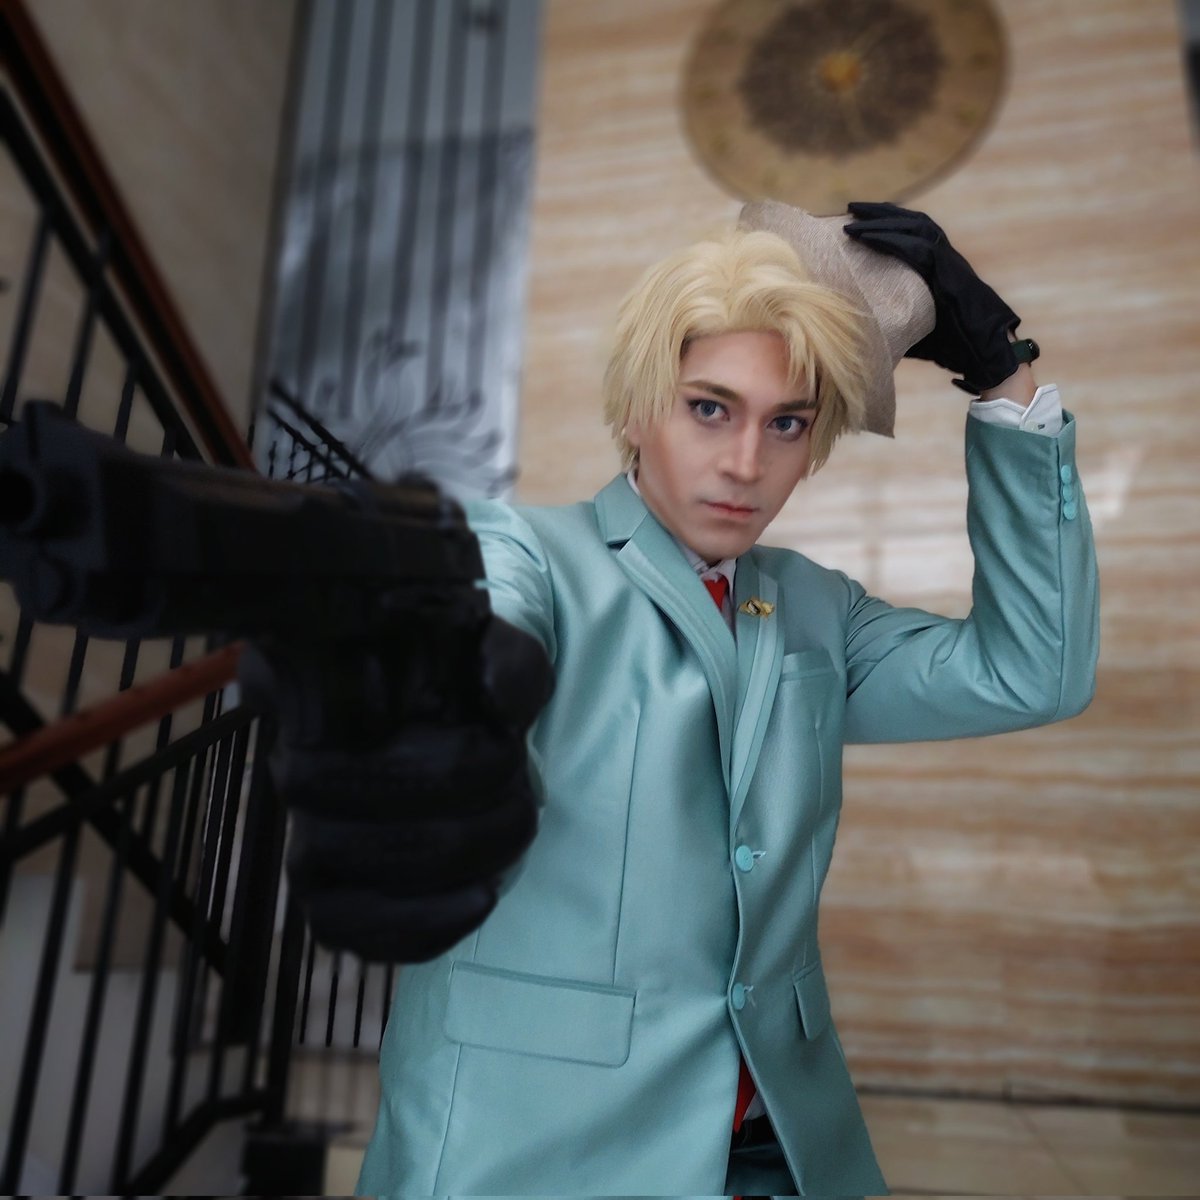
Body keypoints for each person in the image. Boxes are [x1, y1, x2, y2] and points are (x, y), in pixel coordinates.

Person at [336, 200, 1099, 1196]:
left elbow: (1037, 668)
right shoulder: (525, 554)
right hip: (539, 1148)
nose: (746, 463)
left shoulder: (818, 609)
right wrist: (441, 690)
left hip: (781, 1145)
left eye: (786, 424)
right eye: (709, 408)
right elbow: (474, 634)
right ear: (634, 411)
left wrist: (1002, 375)